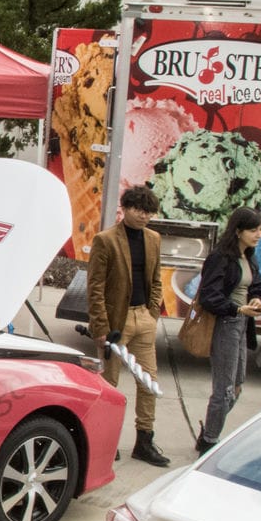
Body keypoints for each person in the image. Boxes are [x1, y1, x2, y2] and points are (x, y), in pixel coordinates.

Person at [88, 183, 170, 466]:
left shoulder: (153, 239)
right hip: (115, 323)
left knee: (149, 382)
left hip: (143, 317)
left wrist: (152, 312)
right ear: (125, 209)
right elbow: (95, 287)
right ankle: (106, 441)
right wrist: (100, 327)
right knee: (110, 385)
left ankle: (144, 441)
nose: (143, 216)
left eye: (148, 211)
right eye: (138, 209)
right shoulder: (106, 239)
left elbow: (156, 279)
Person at [194, 207, 261, 454]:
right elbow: (208, 296)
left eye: (260, 229)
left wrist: (257, 299)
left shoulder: (250, 256)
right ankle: (209, 441)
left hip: (243, 325)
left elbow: (256, 285)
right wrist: (237, 309)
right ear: (238, 231)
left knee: (237, 387)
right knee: (224, 390)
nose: (259, 234)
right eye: (253, 229)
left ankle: (208, 432)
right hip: (225, 324)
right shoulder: (220, 258)